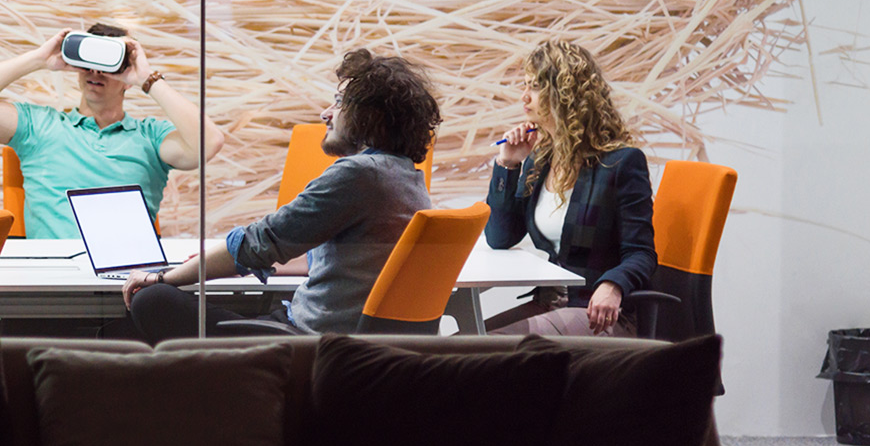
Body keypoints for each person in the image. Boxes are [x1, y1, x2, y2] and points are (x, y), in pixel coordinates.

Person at [121, 49, 440, 342]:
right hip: (346, 339)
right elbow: (350, 257)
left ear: (373, 116)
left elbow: (257, 243)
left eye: (339, 102)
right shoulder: (407, 177)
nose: (325, 113)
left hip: (307, 342)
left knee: (153, 299)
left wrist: (163, 277)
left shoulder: (359, 174)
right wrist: (266, 258)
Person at [0, 23, 226, 238]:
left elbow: (210, 142)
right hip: (55, 282)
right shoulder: (38, 126)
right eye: (89, 61)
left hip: (128, 281)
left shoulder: (150, 136)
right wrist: (38, 59)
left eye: (108, 63)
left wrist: (147, 79)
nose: (95, 70)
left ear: (126, 74)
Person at [483, 39, 656, 336]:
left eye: (535, 87)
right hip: (549, 304)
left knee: (483, 351)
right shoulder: (541, 159)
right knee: (461, 344)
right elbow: (500, 237)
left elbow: (641, 252)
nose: (524, 97)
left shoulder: (622, 163)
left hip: (598, 313)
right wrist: (508, 166)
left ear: (564, 94)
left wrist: (613, 285)